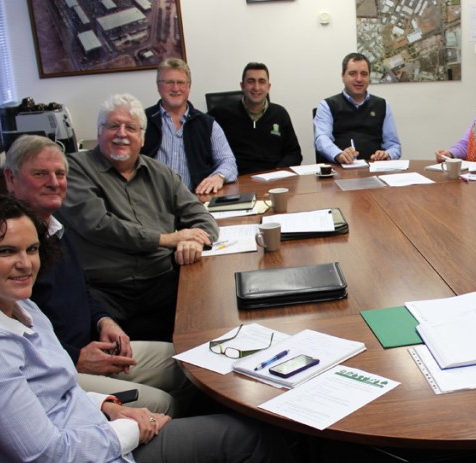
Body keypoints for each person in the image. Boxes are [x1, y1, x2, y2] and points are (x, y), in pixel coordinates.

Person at [0, 195, 298, 463]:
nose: (25, 263)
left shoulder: (15, 304)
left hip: (93, 446)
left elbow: (56, 391)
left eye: (32, 249)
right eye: (6, 251)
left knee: (251, 437)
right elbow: (46, 458)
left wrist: (109, 406)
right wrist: (129, 430)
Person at [3, 134, 191, 415]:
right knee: (162, 404)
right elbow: (14, 337)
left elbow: (83, 290)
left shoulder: (56, 229)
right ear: (10, 178)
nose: (54, 182)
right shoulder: (7, 245)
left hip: (95, 345)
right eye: (40, 174)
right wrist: (77, 357)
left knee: (192, 364)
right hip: (59, 366)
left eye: (60, 174)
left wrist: (105, 321)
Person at [60, 93, 218, 343]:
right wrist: (169, 239)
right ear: (99, 132)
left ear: (142, 138)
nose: (121, 134)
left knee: (214, 320)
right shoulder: (75, 169)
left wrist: (195, 241)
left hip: (160, 283)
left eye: (131, 128)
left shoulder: (160, 173)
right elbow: (99, 225)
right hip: (105, 291)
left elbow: (201, 215)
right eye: (113, 126)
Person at [141, 58, 238, 194]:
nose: (175, 88)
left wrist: (218, 177)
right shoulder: (140, 122)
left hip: (195, 202)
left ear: (189, 87)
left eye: (181, 82)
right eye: (169, 82)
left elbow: (228, 161)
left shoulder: (207, 124)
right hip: (151, 204)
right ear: (158, 86)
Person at [210, 62, 303, 173]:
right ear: (242, 86)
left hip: (275, 179)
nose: (256, 87)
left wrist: (279, 171)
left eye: (262, 82)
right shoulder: (221, 114)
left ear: (268, 87)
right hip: (237, 179)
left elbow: (294, 153)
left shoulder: (280, 114)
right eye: (251, 81)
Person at [314, 52, 401, 164]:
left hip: (375, 170)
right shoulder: (327, 105)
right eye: (353, 73)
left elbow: (394, 145)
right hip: (340, 171)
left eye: (364, 74)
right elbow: (322, 139)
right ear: (343, 76)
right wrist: (339, 154)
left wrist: (387, 154)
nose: (359, 79)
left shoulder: (382, 105)